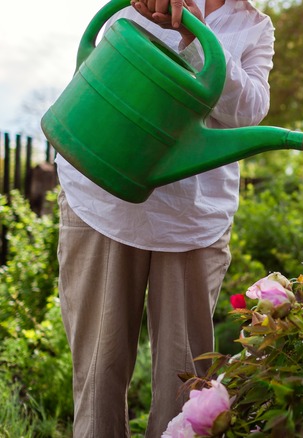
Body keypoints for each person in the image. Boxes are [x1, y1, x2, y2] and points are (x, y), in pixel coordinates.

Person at [55, 0, 274, 435]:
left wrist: (199, 40)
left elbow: (248, 111)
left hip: (194, 216)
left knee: (185, 386)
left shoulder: (255, 25)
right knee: (98, 375)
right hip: (103, 199)